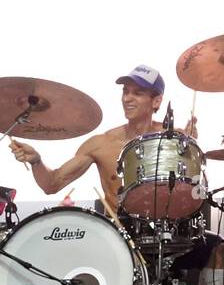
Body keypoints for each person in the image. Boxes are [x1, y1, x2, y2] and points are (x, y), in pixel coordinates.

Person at [7, 66, 198, 217]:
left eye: (137, 93)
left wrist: (191, 147)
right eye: (125, 92)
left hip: (168, 230)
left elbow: (196, 189)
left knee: (213, 247)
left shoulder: (174, 140)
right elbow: (51, 185)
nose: (127, 99)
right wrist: (36, 161)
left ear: (156, 101)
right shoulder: (101, 144)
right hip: (120, 238)